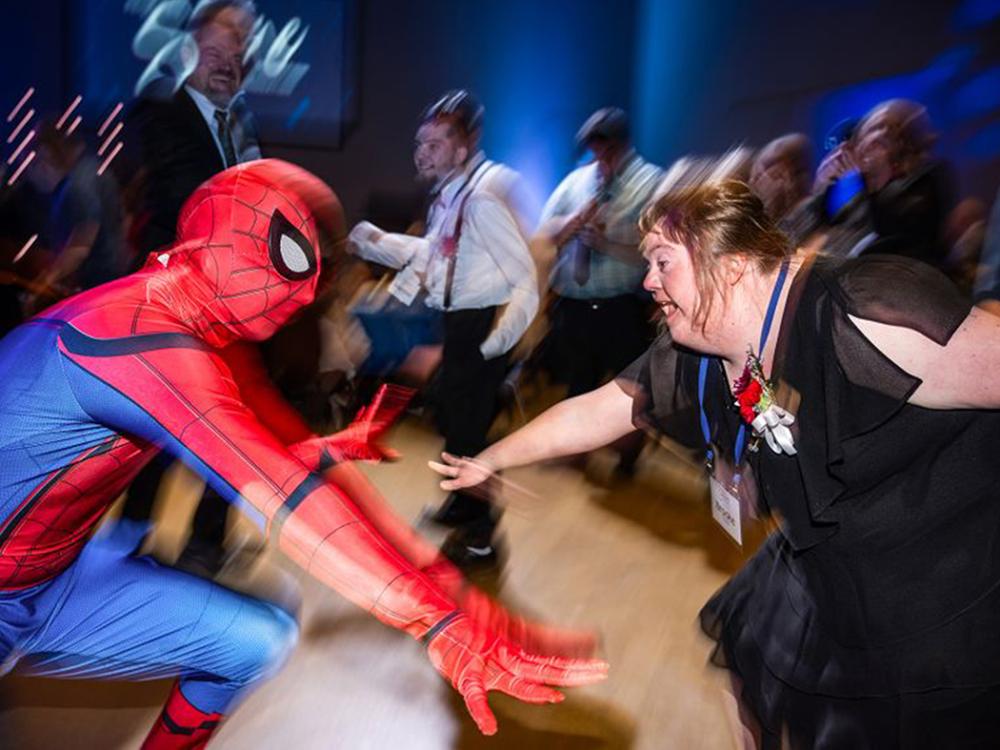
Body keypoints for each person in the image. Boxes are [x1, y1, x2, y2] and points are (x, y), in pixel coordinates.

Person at [0, 159, 606, 748]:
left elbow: (302, 472)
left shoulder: (207, 340)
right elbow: (290, 501)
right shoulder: (134, 330)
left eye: (324, 261)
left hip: (54, 580)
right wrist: (440, 618)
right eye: (295, 253)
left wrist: (446, 589)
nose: (312, 285)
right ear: (226, 235)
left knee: (252, 639)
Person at [432, 176, 1000, 748]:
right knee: (751, 679)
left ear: (729, 263)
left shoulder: (863, 313)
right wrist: (494, 456)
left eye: (662, 261)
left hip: (943, 575)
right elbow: (601, 411)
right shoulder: (701, 349)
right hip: (832, 559)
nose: (647, 280)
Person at [348, 90, 539, 571]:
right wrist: (378, 244)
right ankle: (462, 506)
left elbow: (526, 261)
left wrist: (510, 337)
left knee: (469, 431)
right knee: (453, 419)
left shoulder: (492, 187)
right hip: (459, 321)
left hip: (484, 322)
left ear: (467, 142)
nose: (425, 152)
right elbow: (437, 255)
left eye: (437, 142)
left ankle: (482, 537)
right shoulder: (452, 191)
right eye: (422, 142)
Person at [118, 0, 266, 576]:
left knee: (230, 428)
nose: (228, 63)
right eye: (216, 50)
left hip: (231, 308)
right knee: (154, 431)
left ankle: (207, 543)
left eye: (238, 52)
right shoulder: (164, 110)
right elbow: (191, 197)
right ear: (191, 52)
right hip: (172, 302)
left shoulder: (242, 121)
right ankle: (128, 543)